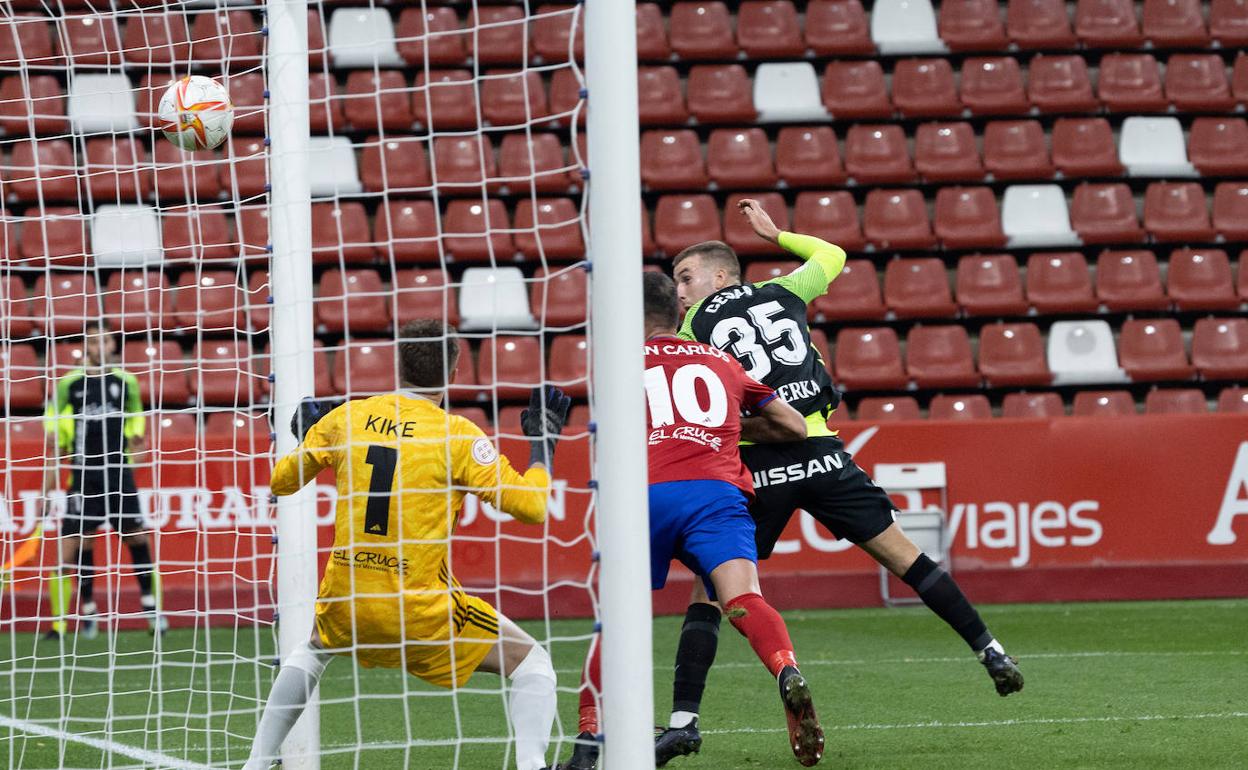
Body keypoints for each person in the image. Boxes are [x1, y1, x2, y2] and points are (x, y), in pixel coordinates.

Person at [653, 200, 1025, 765]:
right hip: (824, 455)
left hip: (759, 464)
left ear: (721, 274)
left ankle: (684, 721)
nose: (679, 290)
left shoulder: (689, 329)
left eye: (686, 277)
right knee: (909, 559)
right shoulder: (784, 291)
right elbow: (833, 254)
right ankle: (991, 651)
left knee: (713, 592)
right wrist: (777, 233)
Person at [243, 320, 568, 770]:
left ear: (398, 365)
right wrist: (543, 447)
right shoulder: (457, 434)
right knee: (533, 663)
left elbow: (280, 482)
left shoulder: (347, 418)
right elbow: (532, 508)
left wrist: (307, 441)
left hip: (348, 598)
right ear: (455, 372)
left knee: (312, 650)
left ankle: (257, 762)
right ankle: (533, 766)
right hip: (420, 608)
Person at [559, 273, 824, 770]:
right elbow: (791, 423)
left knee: (616, 620)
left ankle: (587, 746)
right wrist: (724, 425)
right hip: (716, 492)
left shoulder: (617, 363)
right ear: (678, 315)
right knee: (744, 599)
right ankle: (786, 669)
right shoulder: (721, 360)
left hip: (646, 498)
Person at [42, 320, 164, 641]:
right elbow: (53, 413)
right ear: (86, 347)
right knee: (75, 545)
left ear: (113, 346)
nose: (99, 347)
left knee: (137, 538)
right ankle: (77, 615)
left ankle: (153, 610)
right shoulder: (70, 383)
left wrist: (137, 434)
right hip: (83, 473)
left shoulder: (126, 382)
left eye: (104, 341)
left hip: (118, 471)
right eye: (92, 342)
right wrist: (55, 431)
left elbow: (137, 412)